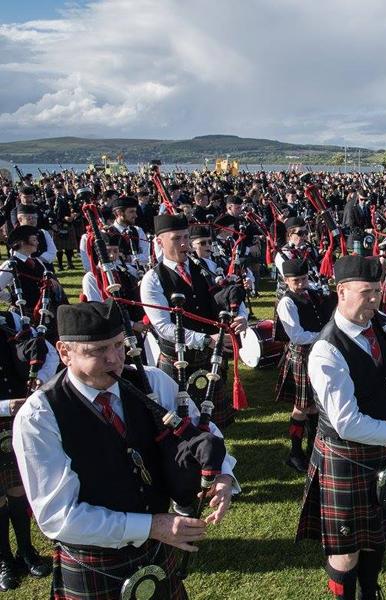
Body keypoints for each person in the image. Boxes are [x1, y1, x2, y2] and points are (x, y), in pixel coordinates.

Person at [13, 300, 239, 599]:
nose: (114, 359)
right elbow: (59, 517)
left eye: (119, 345)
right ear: (64, 352)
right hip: (94, 561)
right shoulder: (40, 416)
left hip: (156, 549)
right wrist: (151, 526)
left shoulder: (152, 382)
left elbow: (201, 431)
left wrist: (222, 475)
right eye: (97, 350)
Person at [296, 255, 386, 600]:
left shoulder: (378, 326)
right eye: (366, 292)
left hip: (380, 449)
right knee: (347, 549)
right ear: (341, 291)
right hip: (346, 457)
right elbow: (347, 423)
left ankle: (370, 592)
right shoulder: (326, 351)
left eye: (378, 291)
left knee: (376, 534)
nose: (374, 299)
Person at [140, 214, 248, 429]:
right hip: (178, 359)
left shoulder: (205, 266)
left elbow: (229, 293)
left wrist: (241, 315)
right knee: (181, 422)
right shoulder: (152, 280)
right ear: (160, 242)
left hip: (210, 356)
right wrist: (207, 339)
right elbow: (164, 327)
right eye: (176, 238)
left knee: (214, 420)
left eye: (186, 237)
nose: (184, 244)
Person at [0, 311, 58, 592]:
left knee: (16, 492)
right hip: (5, 412)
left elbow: (45, 349)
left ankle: (26, 551)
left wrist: (39, 381)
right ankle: (4, 561)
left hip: (12, 426)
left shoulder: (9, 320)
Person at [274, 259, 335, 473]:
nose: (301, 284)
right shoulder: (286, 303)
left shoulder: (311, 294)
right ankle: (295, 452)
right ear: (285, 280)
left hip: (317, 355)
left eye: (304, 279)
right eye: (296, 281)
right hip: (301, 358)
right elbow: (297, 336)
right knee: (301, 407)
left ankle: (313, 448)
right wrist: (326, 337)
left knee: (317, 404)